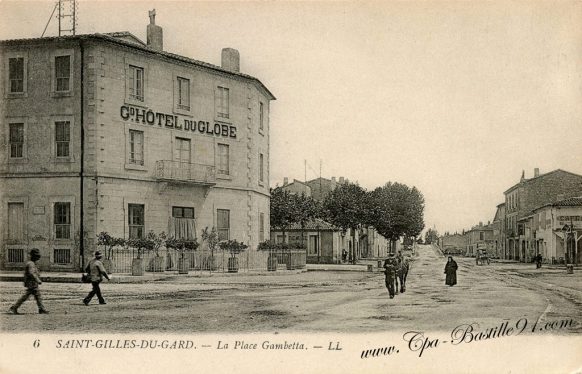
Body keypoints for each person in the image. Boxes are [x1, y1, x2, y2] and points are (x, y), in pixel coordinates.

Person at [9, 248, 49, 314]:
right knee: (29, 296)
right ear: (33, 256)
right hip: (31, 283)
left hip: (32, 283)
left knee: (35, 295)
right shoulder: (31, 264)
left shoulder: (32, 263)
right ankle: (14, 307)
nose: (38, 258)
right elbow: (31, 273)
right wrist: (38, 280)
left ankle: (41, 309)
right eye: (36, 256)